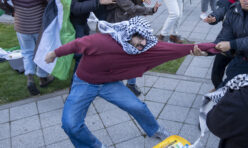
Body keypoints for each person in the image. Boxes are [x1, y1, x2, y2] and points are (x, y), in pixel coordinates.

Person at [44, 17, 219, 148]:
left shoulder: (144, 46)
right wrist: (54, 53)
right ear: (129, 34)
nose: (143, 43)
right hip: (84, 83)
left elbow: (178, 48)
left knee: (137, 106)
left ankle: (155, 129)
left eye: (145, 39)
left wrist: (211, 49)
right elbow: (75, 45)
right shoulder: (99, 41)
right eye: (140, 39)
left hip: (109, 83)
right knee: (70, 125)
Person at [105, 0, 161, 95]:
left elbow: (131, 2)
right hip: (118, 25)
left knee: (135, 52)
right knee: (121, 56)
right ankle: (115, 84)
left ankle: (130, 84)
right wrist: (150, 10)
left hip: (127, 22)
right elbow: (129, 7)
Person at [1, 0, 54, 95]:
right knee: (42, 51)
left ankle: (30, 78)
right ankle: (42, 78)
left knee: (27, 52)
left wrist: (10, 10)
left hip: (21, 26)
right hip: (39, 26)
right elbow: (52, 3)